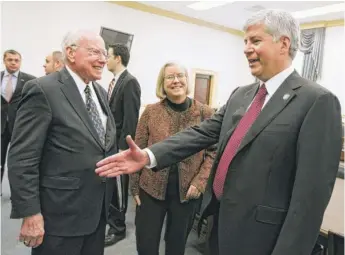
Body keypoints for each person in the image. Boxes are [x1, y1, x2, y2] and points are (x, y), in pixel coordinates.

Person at [95, 9, 343, 255]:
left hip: (262, 238)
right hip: (218, 224)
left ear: (283, 44)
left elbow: (309, 201)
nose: (246, 48)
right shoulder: (242, 95)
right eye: (245, 41)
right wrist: (149, 155)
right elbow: (200, 134)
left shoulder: (316, 101)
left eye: (255, 40)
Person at [8, 30, 118, 255]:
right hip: (59, 215)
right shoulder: (43, 89)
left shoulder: (99, 92)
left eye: (104, 54)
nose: (102, 60)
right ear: (70, 52)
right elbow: (23, 157)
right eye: (95, 52)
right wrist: (30, 213)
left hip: (96, 212)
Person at [130, 62, 216, 255]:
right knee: (146, 245)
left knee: (176, 247)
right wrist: (134, 186)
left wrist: (200, 182)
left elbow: (213, 151)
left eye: (180, 75)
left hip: (187, 193)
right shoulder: (151, 112)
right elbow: (138, 150)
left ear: (187, 80)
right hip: (151, 189)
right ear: (163, 82)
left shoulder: (205, 113)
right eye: (170, 77)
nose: (176, 80)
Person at [104, 43, 141, 246]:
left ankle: (118, 228)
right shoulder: (115, 81)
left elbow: (130, 119)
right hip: (109, 145)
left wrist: (123, 147)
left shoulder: (129, 82)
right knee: (110, 186)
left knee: (118, 190)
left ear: (118, 58)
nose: (105, 59)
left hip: (119, 147)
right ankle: (110, 220)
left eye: (108, 55)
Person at [1, 49, 35, 183]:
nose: (13, 63)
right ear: (4, 61)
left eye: (16, 60)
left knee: (18, 163)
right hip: (1, 126)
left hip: (20, 128)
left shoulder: (30, 81)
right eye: (10, 60)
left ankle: (16, 191)